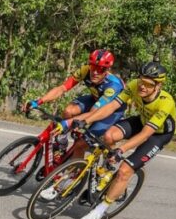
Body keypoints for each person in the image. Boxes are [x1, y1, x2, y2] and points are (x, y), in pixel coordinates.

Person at [71, 61, 176, 219]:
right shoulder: (134, 85)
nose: (142, 86)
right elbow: (111, 106)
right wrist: (86, 120)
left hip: (158, 134)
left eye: (148, 84)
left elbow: (146, 134)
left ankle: (100, 209)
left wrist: (121, 149)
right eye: (141, 80)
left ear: (159, 85)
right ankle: (107, 171)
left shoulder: (166, 102)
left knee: (125, 171)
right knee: (108, 135)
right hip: (142, 121)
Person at [26, 49, 126, 201]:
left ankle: (73, 179)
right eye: (93, 67)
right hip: (95, 99)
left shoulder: (113, 85)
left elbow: (94, 114)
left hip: (109, 111)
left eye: (101, 69)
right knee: (68, 111)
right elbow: (62, 88)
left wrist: (68, 123)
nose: (95, 72)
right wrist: (39, 101)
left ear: (108, 70)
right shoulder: (85, 70)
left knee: (80, 144)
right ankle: (62, 143)